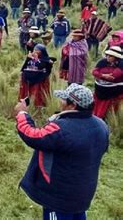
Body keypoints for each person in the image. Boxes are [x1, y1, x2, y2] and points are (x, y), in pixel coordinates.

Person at [14, 83, 109, 220]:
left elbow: (33, 135)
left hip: (59, 198)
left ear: (72, 106)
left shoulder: (62, 129)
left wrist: (22, 113)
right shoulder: (102, 126)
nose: (60, 102)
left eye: (64, 99)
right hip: (83, 195)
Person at [92, 46, 123, 118]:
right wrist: (102, 75)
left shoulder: (121, 64)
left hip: (113, 91)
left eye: (110, 56)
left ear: (116, 57)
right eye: (107, 55)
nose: (108, 57)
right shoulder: (102, 62)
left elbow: (114, 76)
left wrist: (100, 75)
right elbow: (94, 72)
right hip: (100, 89)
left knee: (109, 110)